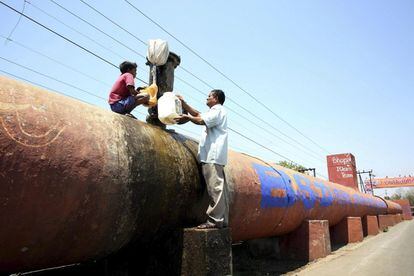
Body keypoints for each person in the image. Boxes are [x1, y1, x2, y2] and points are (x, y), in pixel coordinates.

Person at [175, 90, 229, 229]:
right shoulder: (215, 111)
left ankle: (215, 221)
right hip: (212, 155)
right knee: (217, 189)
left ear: (216, 98)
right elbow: (198, 114)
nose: (207, 97)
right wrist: (184, 104)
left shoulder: (218, 110)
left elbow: (200, 120)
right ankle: (221, 221)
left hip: (213, 154)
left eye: (209, 96)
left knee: (215, 188)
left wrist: (187, 117)